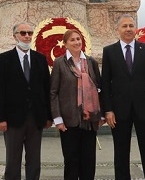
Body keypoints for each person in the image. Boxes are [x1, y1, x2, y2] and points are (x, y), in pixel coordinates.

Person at [100, 14, 145, 180]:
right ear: (118, 29)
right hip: (119, 111)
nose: (128, 29)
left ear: (135, 28)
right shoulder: (109, 51)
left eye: (131, 26)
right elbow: (105, 83)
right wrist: (107, 110)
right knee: (121, 153)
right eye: (124, 26)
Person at [0, 22, 52, 180]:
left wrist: (49, 116)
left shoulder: (40, 59)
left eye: (30, 33)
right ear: (15, 36)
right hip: (12, 119)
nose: (27, 36)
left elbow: (47, 89)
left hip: (36, 117)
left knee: (34, 159)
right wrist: (0, 118)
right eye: (23, 33)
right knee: (13, 159)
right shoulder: (4, 59)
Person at [51, 29, 102, 180]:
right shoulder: (60, 63)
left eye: (78, 39)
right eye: (72, 40)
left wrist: (100, 113)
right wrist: (57, 118)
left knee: (89, 161)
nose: (77, 42)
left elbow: (99, 89)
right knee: (71, 161)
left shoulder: (91, 62)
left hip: (89, 120)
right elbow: (53, 92)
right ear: (65, 44)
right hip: (69, 120)